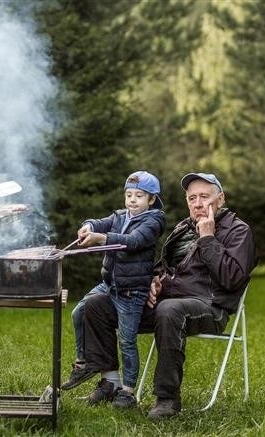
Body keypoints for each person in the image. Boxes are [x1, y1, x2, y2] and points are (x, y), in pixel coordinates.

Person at [79, 172, 256, 419]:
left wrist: (207, 238)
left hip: (209, 307)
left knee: (170, 309)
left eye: (204, 196)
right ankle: (110, 382)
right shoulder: (183, 228)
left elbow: (232, 278)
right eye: (192, 198)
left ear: (221, 199)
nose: (197, 203)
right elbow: (163, 267)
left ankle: (167, 398)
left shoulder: (238, 231)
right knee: (97, 304)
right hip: (166, 304)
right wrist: (154, 281)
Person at [61, 171, 166, 409]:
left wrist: (101, 238)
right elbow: (99, 223)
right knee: (79, 311)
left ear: (151, 199)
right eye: (129, 194)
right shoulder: (120, 215)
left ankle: (127, 392)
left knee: (127, 341)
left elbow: (134, 242)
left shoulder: (154, 221)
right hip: (110, 285)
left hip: (132, 291)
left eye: (139, 195)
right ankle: (83, 363)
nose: (132, 199)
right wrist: (88, 226)